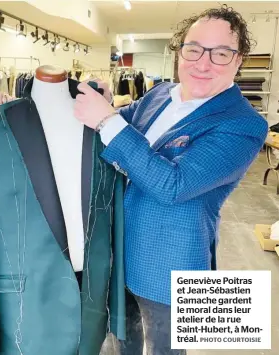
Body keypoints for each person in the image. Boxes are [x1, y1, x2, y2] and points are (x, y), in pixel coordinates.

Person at [73, 5, 268, 355]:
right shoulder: (161, 94)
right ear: (179, 52)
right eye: (193, 49)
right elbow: (120, 122)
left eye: (221, 53)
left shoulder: (243, 124)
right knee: (121, 344)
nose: (203, 63)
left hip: (171, 269)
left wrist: (107, 122)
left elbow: (173, 184)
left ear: (239, 61)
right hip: (120, 252)